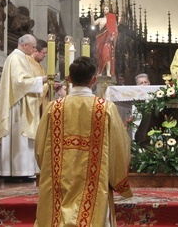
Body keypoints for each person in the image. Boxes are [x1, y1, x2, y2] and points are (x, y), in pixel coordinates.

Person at [35, 56, 133, 226]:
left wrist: (49, 169)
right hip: (95, 181)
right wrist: (118, 179)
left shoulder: (53, 108)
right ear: (94, 80)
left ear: (69, 79)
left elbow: (40, 147)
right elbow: (119, 148)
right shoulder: (105, 108)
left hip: (59, 179)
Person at [0, 34, 47, 183]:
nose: (35, 49)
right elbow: (19, 82)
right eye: (33, 46)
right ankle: (17, 170)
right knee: (18, 138)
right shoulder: (16, 58)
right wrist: (42, 80)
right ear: (25, 45)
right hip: (17, 105)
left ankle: (23, 170)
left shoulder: (20, 58)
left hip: (21, 101)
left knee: (22, 139)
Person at [91, 4, 118, 77]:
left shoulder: (111, 19)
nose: (105, 10)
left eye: (106, 9)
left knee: (106, 55)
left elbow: (115, 30)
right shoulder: (100, 19)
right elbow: (93, 24)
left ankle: (108, 72)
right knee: (100, 56)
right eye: (104, 9)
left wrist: (113, 37)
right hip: (100, 40)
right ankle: (100, 71)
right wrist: (92, 16)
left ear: (109, 10)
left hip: (107, 40)